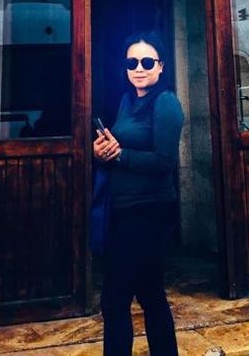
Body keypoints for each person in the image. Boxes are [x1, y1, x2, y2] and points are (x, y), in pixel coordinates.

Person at [93, 30, 184, 356]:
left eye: (147, 61)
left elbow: (165, 161)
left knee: (114, 298)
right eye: (132, 62)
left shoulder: (166, 103)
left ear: (161, 66)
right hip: (125, 209)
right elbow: (119, 149)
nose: (139, 68)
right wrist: (102, 150)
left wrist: (120, 156)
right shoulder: (127, 101)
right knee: (150, 294)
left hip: (149, 212)